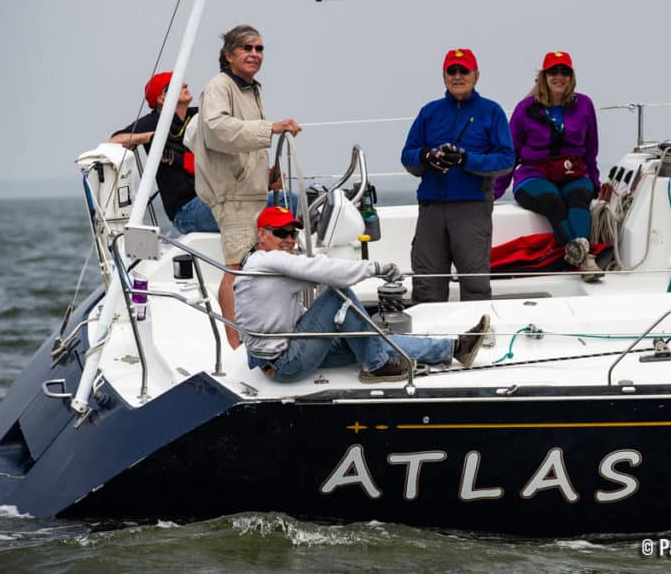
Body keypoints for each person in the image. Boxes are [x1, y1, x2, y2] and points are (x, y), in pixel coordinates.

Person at [234, 206, 491, 383]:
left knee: (371, 339)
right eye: (281, 233)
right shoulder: (269, 262)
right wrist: (375, 268)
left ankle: (454, 348)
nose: (289, 239)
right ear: (262, 235)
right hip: (285, 363)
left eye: (293, 233)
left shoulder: (259, 264)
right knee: (339, 294)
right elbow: (324, 270)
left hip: (283, 353)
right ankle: (376, 367)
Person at [192, 25, 303, 348]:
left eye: (260, 49)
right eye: (247, 48)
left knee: (251, 266)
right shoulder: (219, 86)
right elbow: (215, 130)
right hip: (233, 197)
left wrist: (265, 175)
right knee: (237, 269)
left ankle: (252, 338)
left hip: (252, 192)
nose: (255, 54)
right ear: (229, 56)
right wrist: (272, 128)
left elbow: (241, 138)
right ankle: (235, 346)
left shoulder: (249, 89)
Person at [111, 71, 295, 235]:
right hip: (186, 210)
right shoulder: (153, 121)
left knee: (291, 201)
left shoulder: (200, 115)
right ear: (162, 99)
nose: (184, 85)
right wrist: (148, 137)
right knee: (269, 205)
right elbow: (113, 141)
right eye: (175, 84)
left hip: (219, 197)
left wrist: (266, 180)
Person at [400, 48, 515, 303]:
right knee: (427, 285)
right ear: (444, 76)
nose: (458, 76)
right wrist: (427, 157)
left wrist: (466, 160)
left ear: (476, 75)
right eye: (452, 71)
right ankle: (427, 341)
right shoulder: (429, 112)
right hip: (432, 208)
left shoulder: (492, 112)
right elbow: (407, 155)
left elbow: (506, 159)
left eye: (464, 71)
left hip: (471, 207)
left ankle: (475, 341)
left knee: (475, 285)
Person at [493, 51, 602, 281]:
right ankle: (585, 260)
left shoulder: (584, 104)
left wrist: (595, 182)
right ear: (544, 76)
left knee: (579, 196)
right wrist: (495, 190)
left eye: (564, 71)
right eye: (553, 71)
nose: (558, 76)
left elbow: (591, 149)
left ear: (571, 76)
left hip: (572, 172)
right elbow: (511, 152)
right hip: (534, 174)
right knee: (552, 201)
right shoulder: (525, 109)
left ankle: (579, 255)